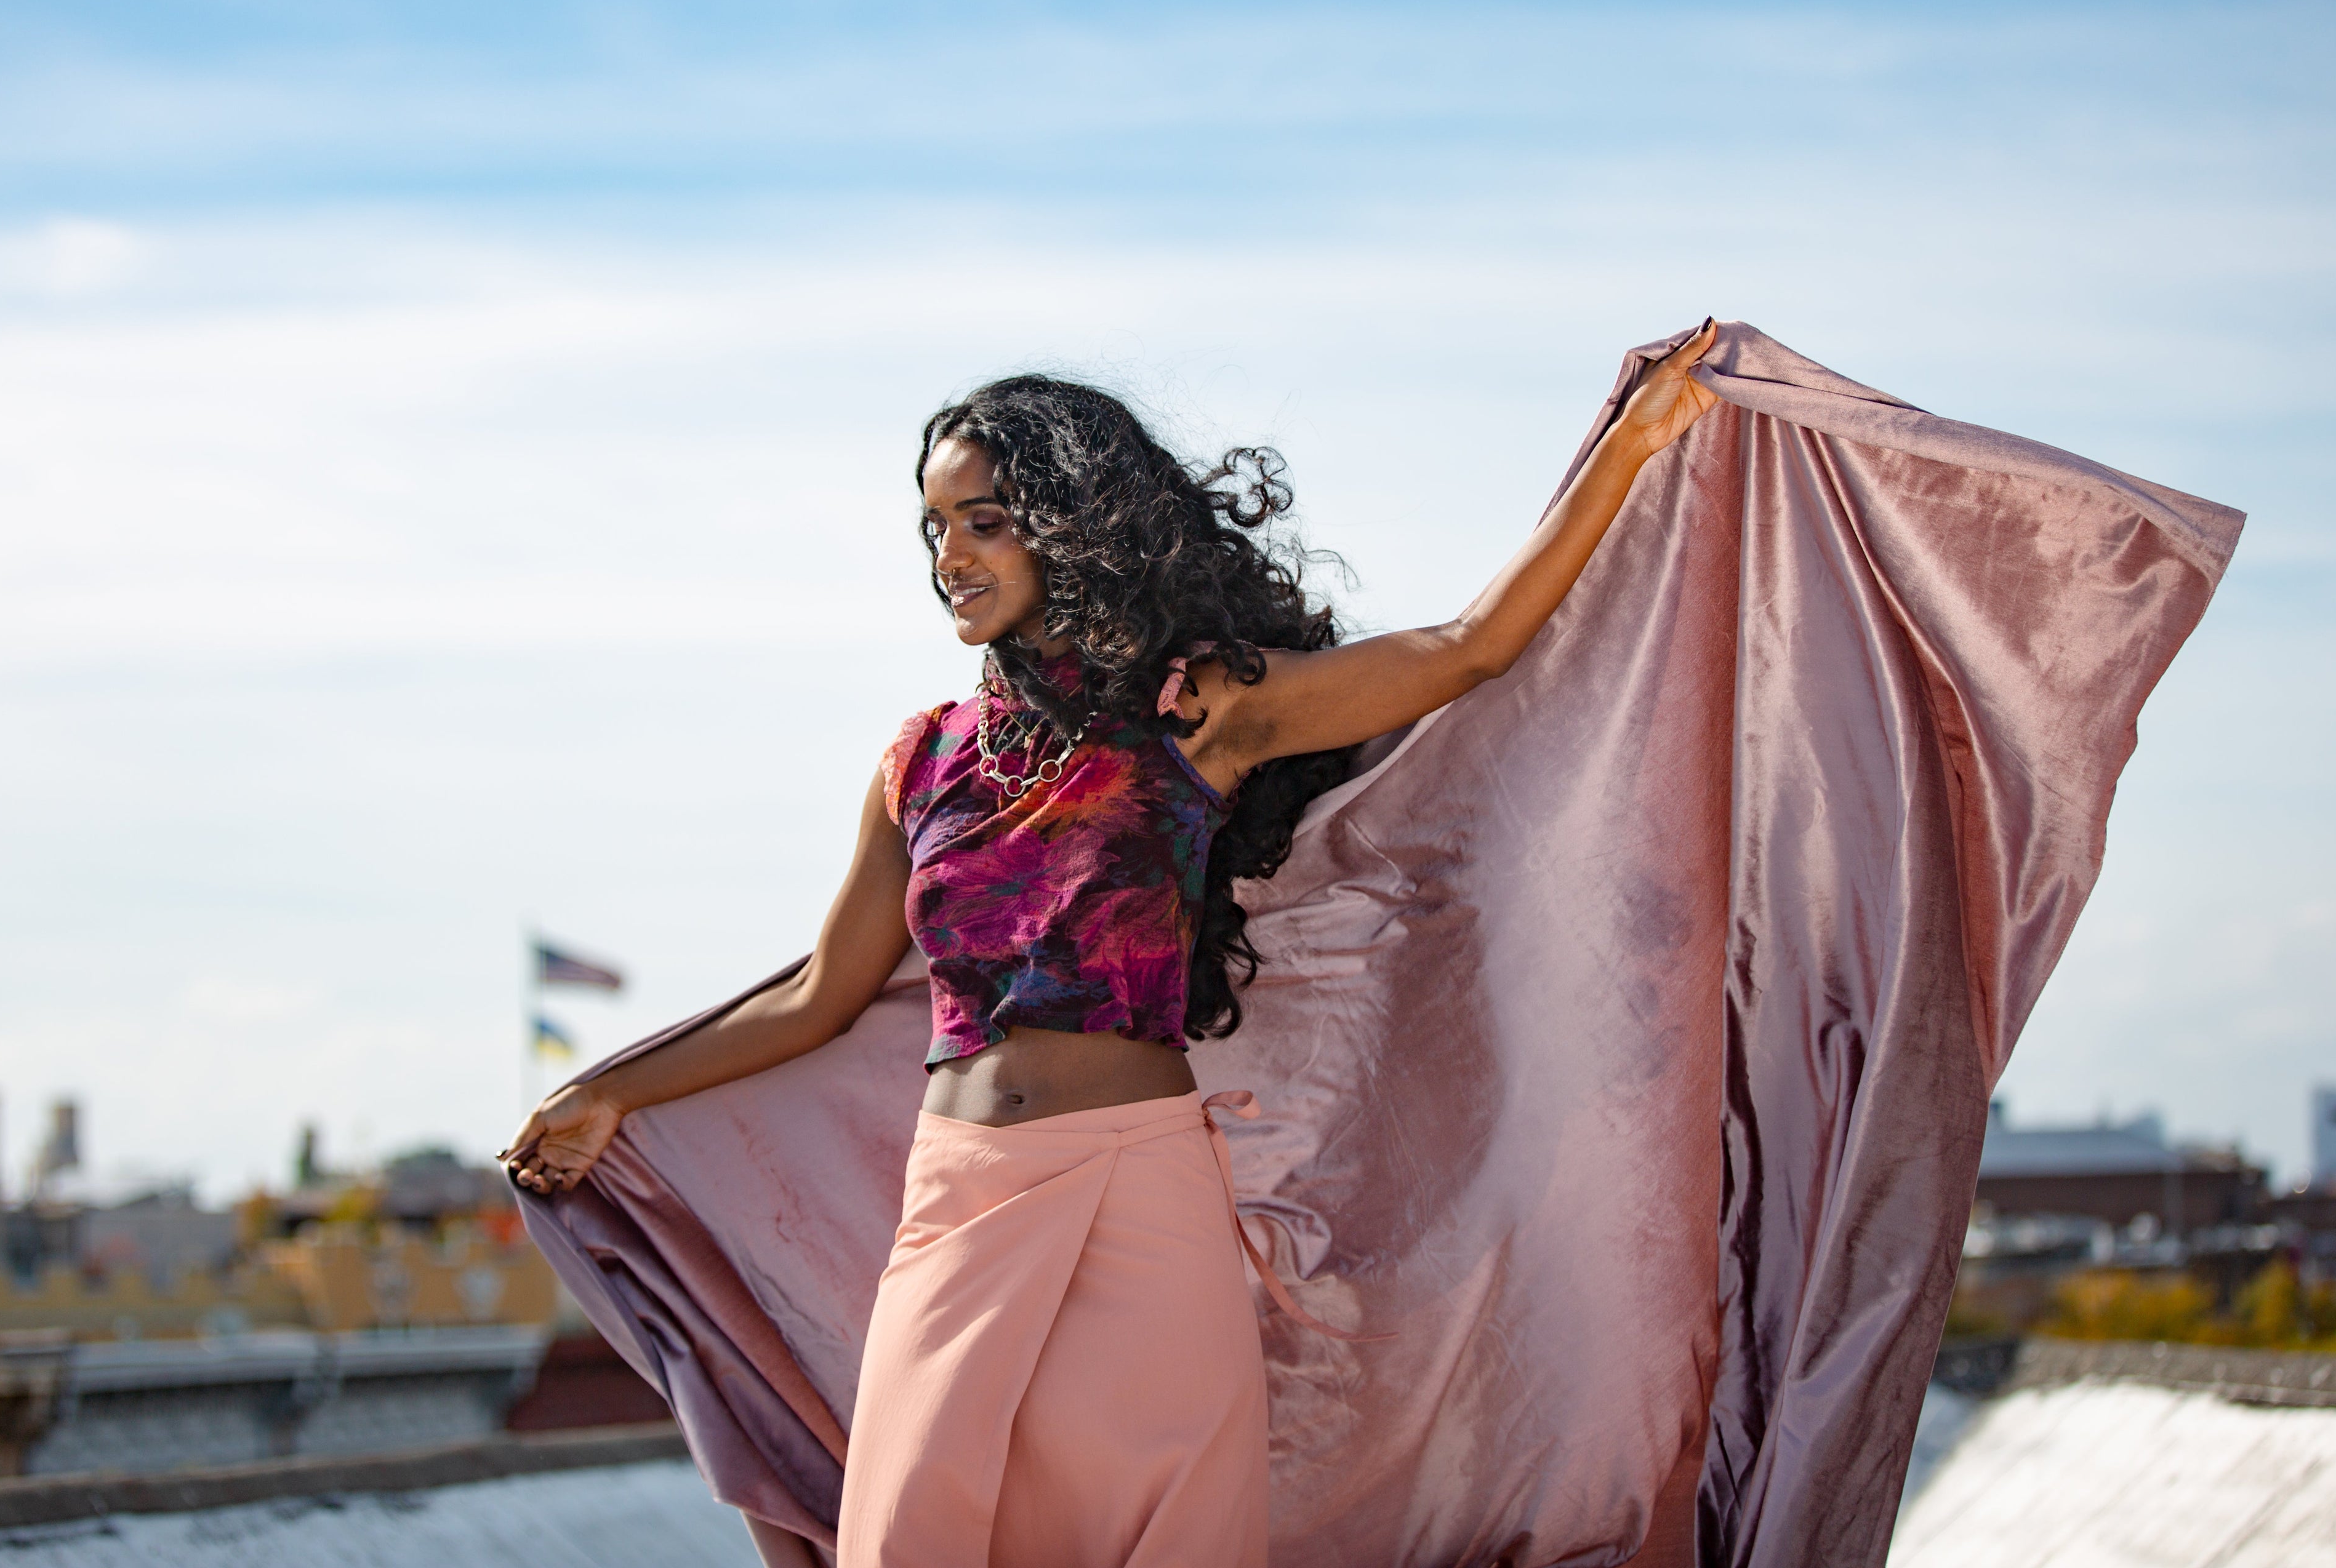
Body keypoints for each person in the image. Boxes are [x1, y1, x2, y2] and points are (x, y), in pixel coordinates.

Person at [501, 319, 1721, 1567]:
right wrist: (608, 1092)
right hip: (964, 1191)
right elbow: (822, 995)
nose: (952, 557)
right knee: (909, 1528)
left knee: (1170, 1526)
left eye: (984, 520)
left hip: (1143, 1188)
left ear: (1070, 522)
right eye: (934, 529)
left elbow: (1471, 649)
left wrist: (1630, 448)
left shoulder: (1200, 708)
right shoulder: (919, 762)